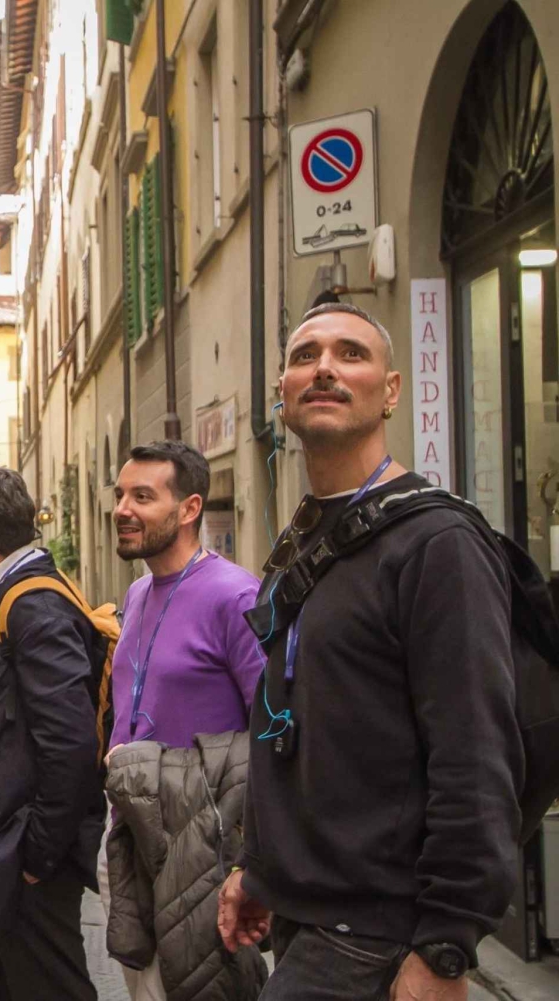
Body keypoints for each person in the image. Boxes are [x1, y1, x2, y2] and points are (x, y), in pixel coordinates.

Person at [218, 303, 523, 1001]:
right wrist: (263, 871)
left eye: (349, 353)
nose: (323, 366)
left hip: (378, 938)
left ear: (390, 390)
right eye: (304, 356)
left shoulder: (436, 542)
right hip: (309, 917)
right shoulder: (304, 540)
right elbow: (294, 723)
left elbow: (475, 750)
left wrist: (446, 944)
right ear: (284, 397)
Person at [100, 440, 268, 1001]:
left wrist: (254, 860)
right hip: (134, 838)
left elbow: (273, 731)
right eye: (121, 494)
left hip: (205, 852)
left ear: (190, 508)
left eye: (143, 496)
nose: (123, 509)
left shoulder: (235, 595)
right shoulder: (139, 591)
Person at [0, 466, 104, 1001]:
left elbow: (71, 744)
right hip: (1, 850)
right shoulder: (9, 594)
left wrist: (36, 857)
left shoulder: (33, 606)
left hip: (21, 857)